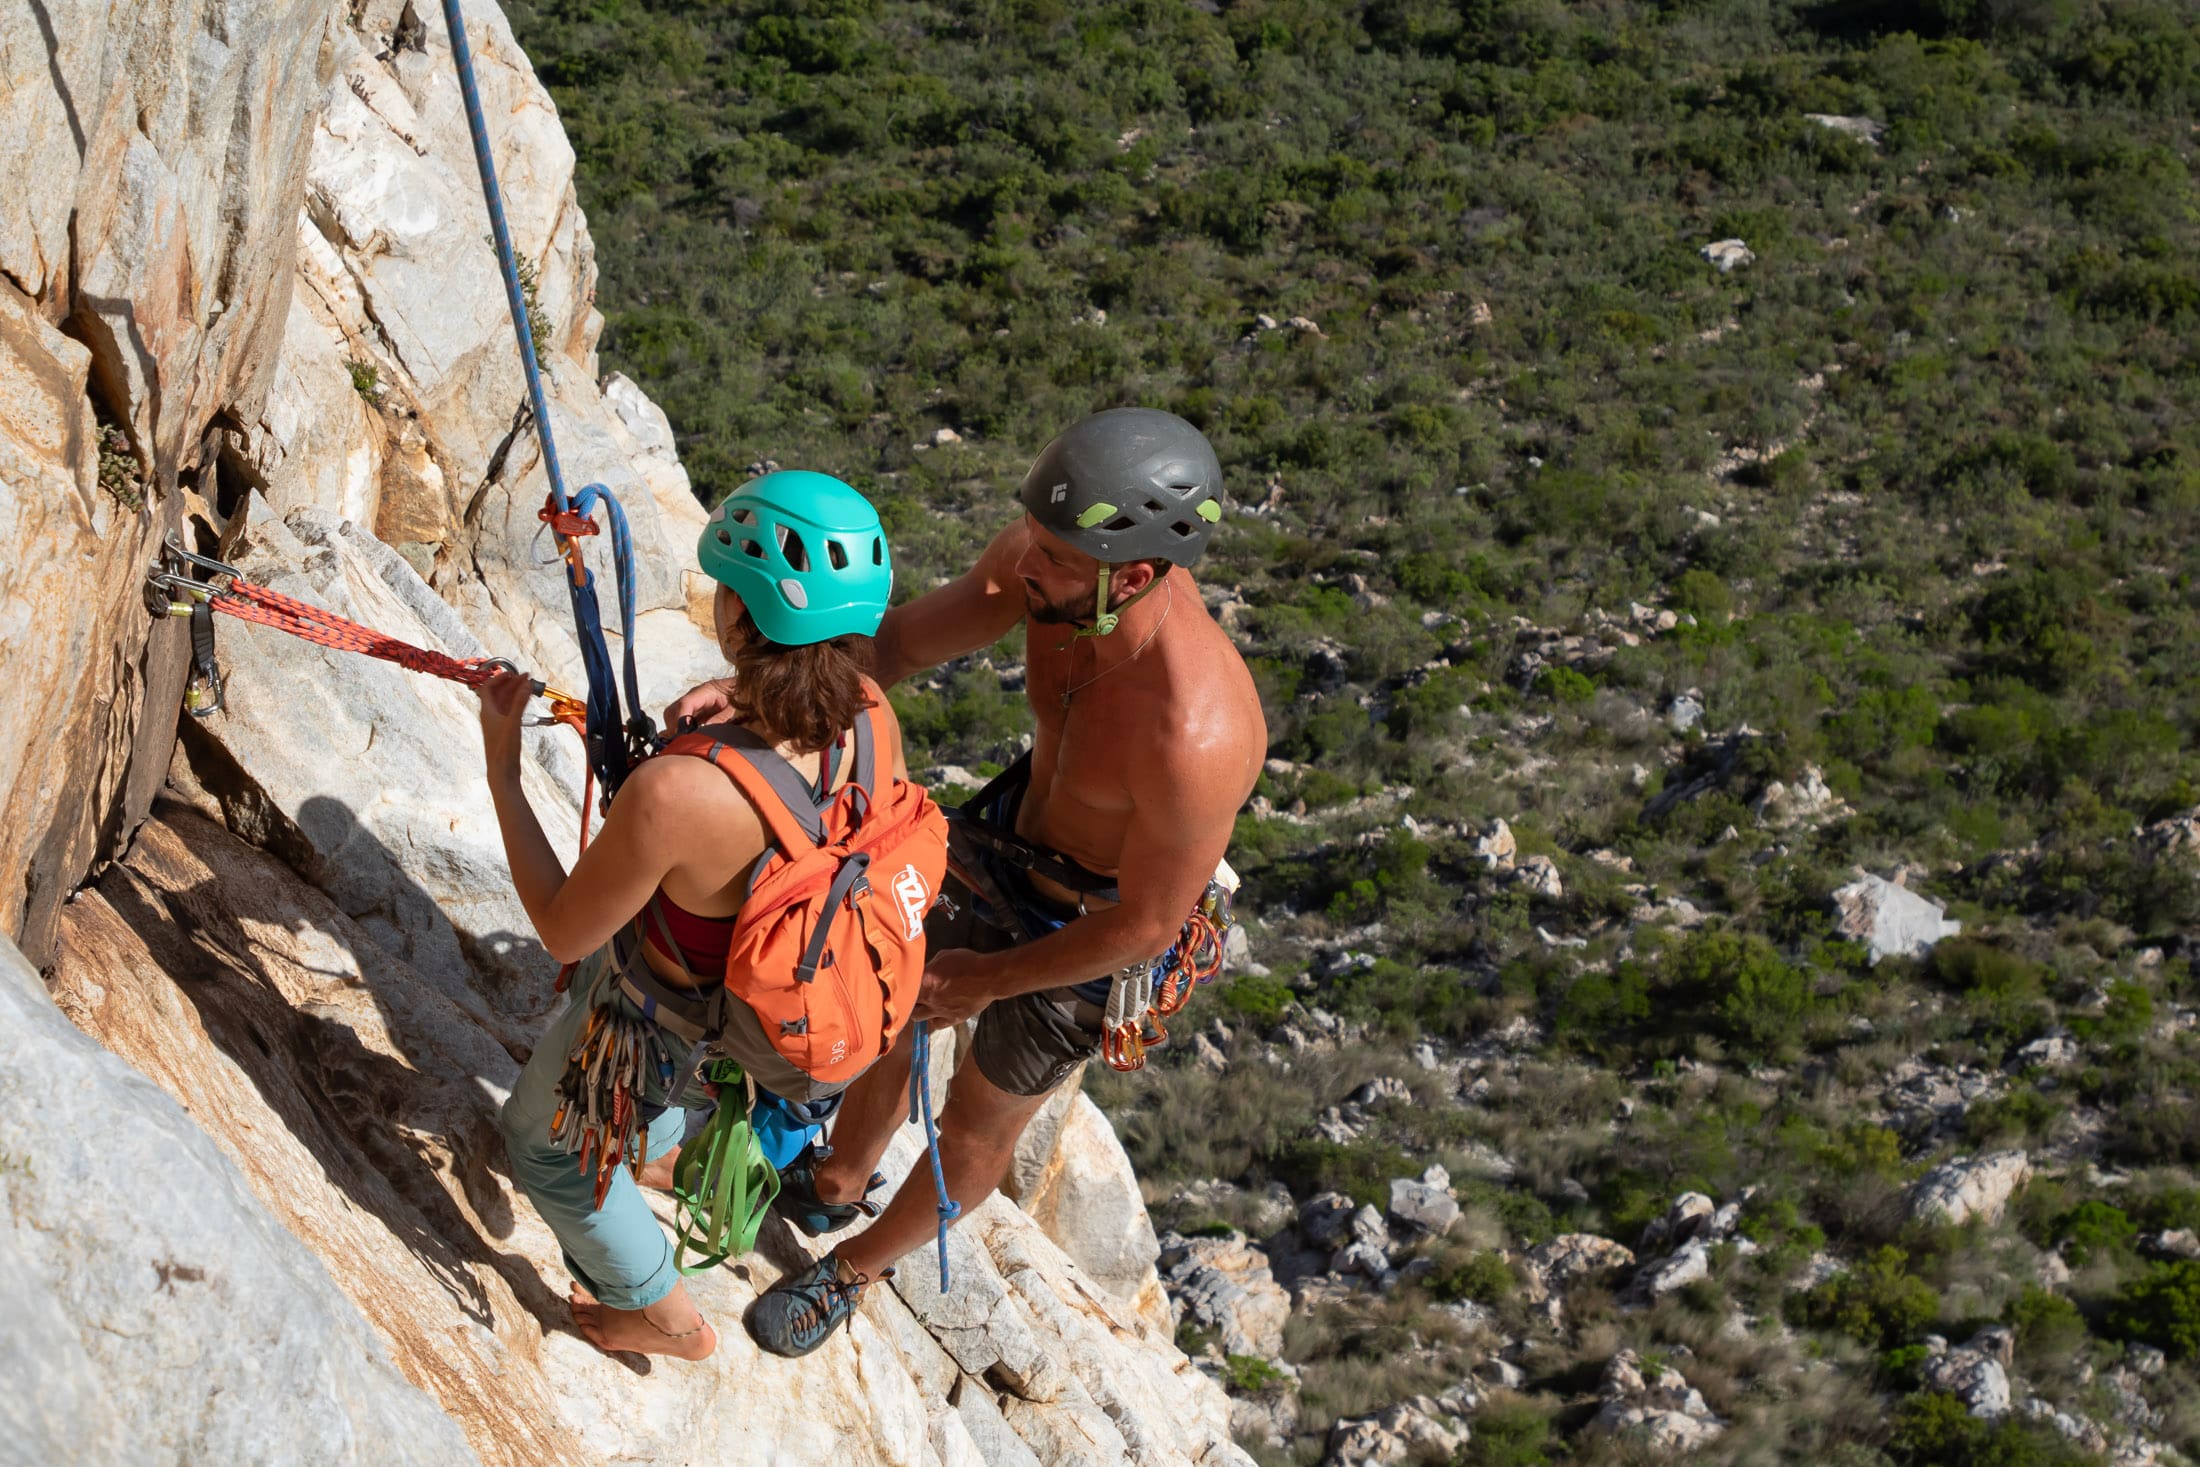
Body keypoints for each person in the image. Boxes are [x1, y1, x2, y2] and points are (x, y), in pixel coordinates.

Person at [666, 408, 1266, 1357]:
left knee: (981, 1116)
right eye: (1033, 534)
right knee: (887, 990)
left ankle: (851, 1271)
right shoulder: (1048, 569)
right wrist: (758, 699)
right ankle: (835, 1180)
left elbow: (1148, 924)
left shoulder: (1198, 732)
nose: (1026, 563)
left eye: (1056, 555)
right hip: (1011, 840)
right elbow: (894, 648)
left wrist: (985, 981)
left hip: (1099, 924)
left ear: (1137, 575)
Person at [478, 469, 912, 1361]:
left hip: (657, 1016)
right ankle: (663, 1147)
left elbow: (565, 929)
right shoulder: (871, 716)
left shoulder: (682, 795)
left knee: (546, 1146)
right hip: (769, 990)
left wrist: (502, 769)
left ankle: (665, 1315)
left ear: (744, 618)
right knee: (633, 1093)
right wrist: (744, 698)